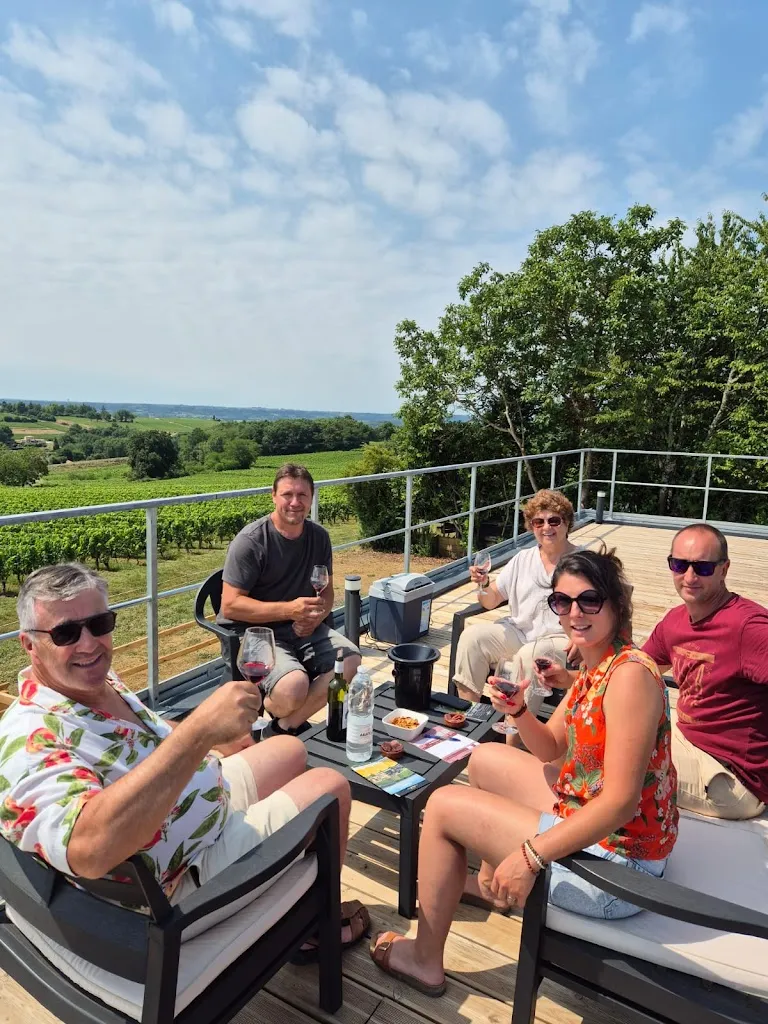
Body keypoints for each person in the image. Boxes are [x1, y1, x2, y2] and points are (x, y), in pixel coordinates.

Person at [0, 563, 369, 957]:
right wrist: (199, 732)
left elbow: (146, 733)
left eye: (99, 624)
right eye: (66, 633)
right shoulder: (31, 741)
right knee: (331, 789)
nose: (89, 644)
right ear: (29, 644)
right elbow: (89, 850)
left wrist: (212, 740)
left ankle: (291, 881)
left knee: (290, 750)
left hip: (194, 803)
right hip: (178, 882)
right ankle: (315, 927)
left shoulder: (88, 682)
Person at [370, 547, 677, 996]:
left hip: (617, 871)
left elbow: (620, 802)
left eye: (589, 600)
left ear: (615, 604)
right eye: (562, 601)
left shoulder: (629, 677)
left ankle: (424, 959)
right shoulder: (601, 663)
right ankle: (492, 886)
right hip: (600, 827)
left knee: (442, 806)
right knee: (483, 758)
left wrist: (531, 855)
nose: (575, 613)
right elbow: (550, 746)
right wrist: (518, 711)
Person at [218, 463, 361, 733]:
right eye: (287, 494)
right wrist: (289, 611)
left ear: (312, 498)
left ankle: (284, 725)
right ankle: (269, 708)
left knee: (351, 661)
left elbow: (327, 591)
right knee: (295, 686)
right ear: (273, 496)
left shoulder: (319, 537)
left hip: (300, 629)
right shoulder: (251, 541)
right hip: (255, 633)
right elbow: (230, 605)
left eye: (302, 495)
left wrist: (316, 616)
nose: (295, 502)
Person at [642, 523, 768, 820]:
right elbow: (637, 671)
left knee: (613, 758)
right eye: (679, 565)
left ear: (724, 569)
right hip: (688, 741)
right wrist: (572, 675)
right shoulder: (675, 620)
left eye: (703, 568)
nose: (689, 576)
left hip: (730, 777)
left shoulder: (747, 627)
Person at [452, 489, 579, 720]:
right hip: (519, 633)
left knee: (530, 655)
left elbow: (608, 606)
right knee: (472, 637)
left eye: (554, 521)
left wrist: (582, 638)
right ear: (531, 526)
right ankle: (469, 719)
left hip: (560, 640)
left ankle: (515, 729)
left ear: (567, 523)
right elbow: (491, 600)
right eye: (538, 522)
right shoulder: (523, 559)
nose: (546, 527)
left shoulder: (583, 561)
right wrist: (482, 584)